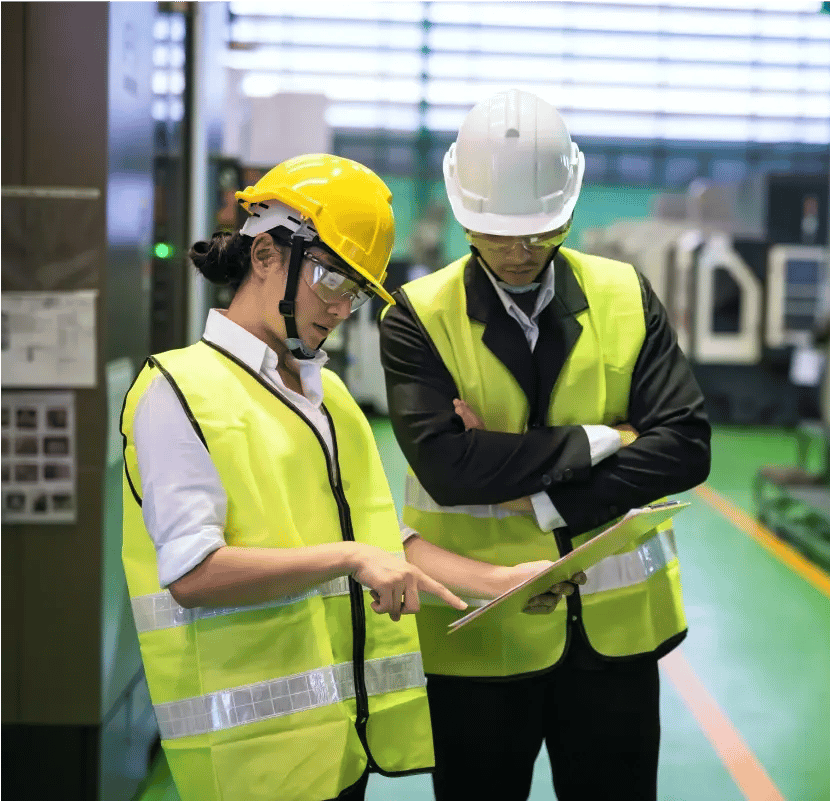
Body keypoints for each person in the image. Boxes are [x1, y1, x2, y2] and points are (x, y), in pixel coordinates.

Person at [121, 153, 574, 801]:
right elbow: (194, 575)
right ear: (266, 255)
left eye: (355, 291)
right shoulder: (178, 390)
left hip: (337, 745)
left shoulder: (325, 394)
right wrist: (352, 556)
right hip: (250, 762)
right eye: (332, 280)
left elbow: (374, 539)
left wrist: (497, 581)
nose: (341, 308)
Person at [379, 90, 712, 801]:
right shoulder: (416, 316)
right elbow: (445, 469)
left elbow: (686, 445)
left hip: (612, 642)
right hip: (480, 638)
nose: (519, 249)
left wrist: (534, 487)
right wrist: (605, 438)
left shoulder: (625, 295)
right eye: (498, 231)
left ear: (569, 205)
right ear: (463, 212)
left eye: (538, 229)